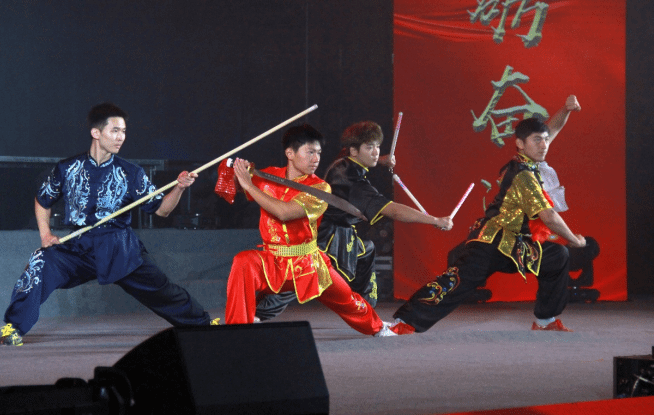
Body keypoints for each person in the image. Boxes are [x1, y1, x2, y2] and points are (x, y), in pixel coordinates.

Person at [0, 103, 215, 346]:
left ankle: (203, 325)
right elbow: (42, 200)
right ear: (96, 133)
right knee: (40, 261)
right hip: (78, 247)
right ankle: (12, 330)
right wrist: (45, 235)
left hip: (119, 247)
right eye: (115, 131)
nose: (121, 137)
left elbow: (162, 210)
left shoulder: (131, 173)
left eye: (124, 132)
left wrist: (179, 188)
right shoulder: (67, 168)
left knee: (162, 291)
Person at [390, 95, 586, 335]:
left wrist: (565, 110)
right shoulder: (523, 175)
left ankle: (545, 320)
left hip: (515, 245)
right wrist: (574, 240)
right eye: (538, 140)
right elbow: (549, 217)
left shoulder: (530, 159)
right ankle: (405, 322)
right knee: (455, 283)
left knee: (557, 256)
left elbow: (551, 129)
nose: (544, 144)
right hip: (490, 241)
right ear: (520, 144)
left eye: (545, 140)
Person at [253, 121, 453, 322]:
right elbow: (391, 210)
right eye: (369, 147)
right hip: (326, 236)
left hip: (342, 233)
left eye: (377, 147)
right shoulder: (351, 180)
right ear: (354, 151)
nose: (375, 152)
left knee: (366, 249)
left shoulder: (344, 162)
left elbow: (356, 154)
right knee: (302, 277)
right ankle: (255, 315)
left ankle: (366, 311)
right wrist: (433, 220)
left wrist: (381, 160)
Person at [223, 124, 395, 337]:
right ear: (290, 153)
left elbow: (284, 213)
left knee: (348, 301)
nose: (316, 159)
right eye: (310, 152)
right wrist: (232, 169)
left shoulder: (320, 188)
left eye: (319, 153)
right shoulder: (268, 176)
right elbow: (230, 187)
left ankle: (377, 326)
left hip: (308, 264)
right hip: (272, 262)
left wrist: (249, 185)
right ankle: (237, 331)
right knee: (243, 261)